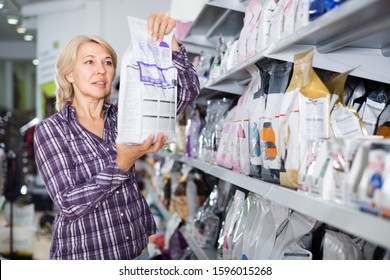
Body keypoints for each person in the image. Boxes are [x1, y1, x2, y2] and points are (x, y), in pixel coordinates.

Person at [33, 12, 200, 260]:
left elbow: (185, 93)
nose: (101, 70)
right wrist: (122, 163)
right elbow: (69, 202)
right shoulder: (51, 130)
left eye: (108, 62)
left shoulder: (124, 116)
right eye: (89, 62)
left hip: (136, 251)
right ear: (69, 74)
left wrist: (170, 43)